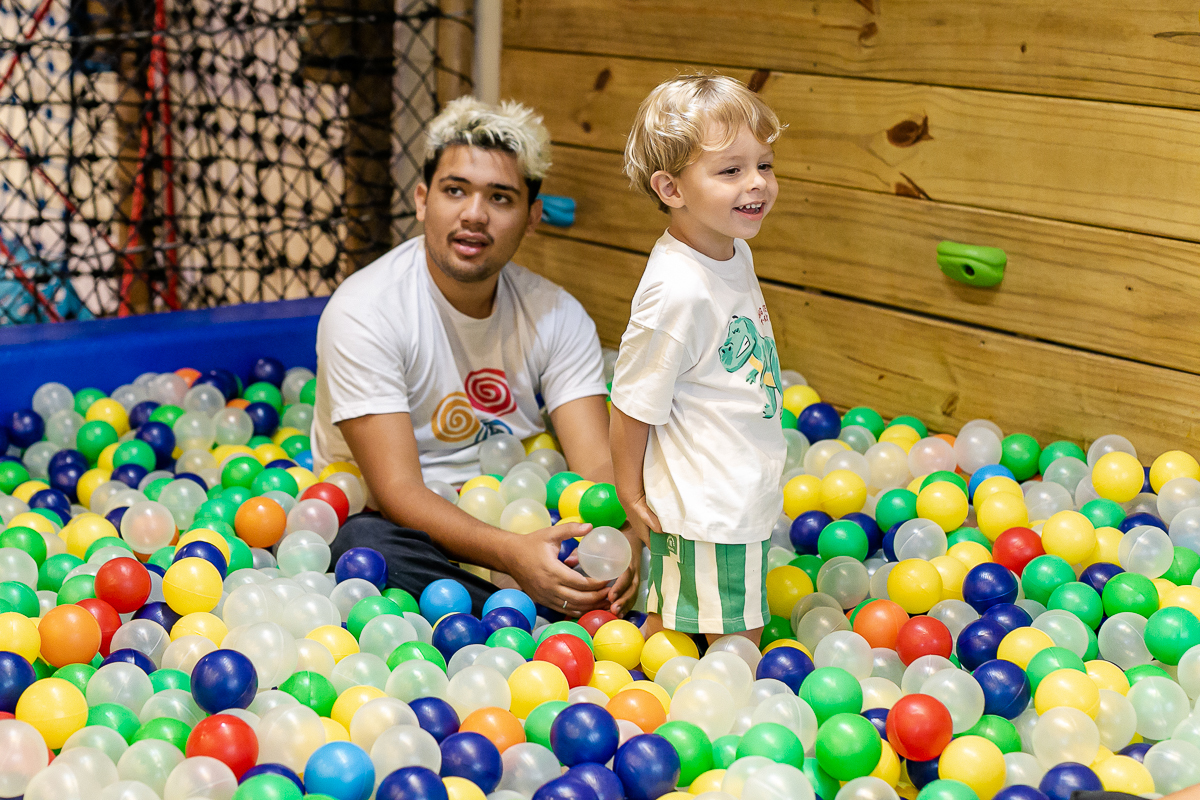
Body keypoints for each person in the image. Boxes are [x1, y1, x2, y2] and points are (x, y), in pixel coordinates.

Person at [311, 96, 638, 618]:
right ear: (422, 200)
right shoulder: (363, 311)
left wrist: (618, 542)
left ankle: (533, 607)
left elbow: (597, 465)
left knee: (674, 532)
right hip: (414, 529)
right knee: (363, 546)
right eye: (455, 190)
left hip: (532, 514)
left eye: (500, 198)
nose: (474, 215)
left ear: (532, 217)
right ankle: (535, 615)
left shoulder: (557, 314)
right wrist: (510, 555)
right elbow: (397, 491)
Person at [609, 74, 787, 642]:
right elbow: (633, 401)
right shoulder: (678, 289)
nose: (757, 183)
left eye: (765, 163)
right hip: (709, 508)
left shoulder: (733, 252)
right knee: (734, 640)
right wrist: (630, 494)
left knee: (675, 628)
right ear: (672, 189)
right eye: (731, 170)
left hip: (732, 494)